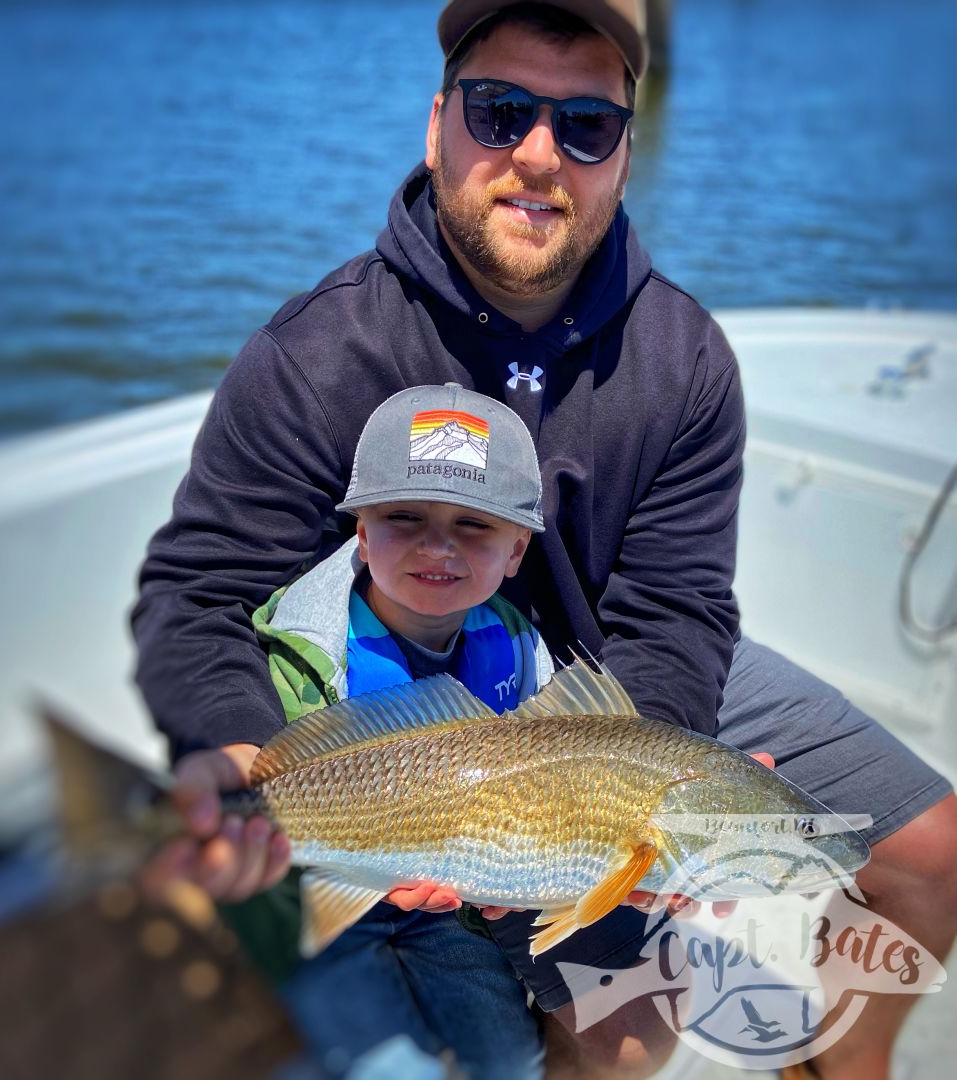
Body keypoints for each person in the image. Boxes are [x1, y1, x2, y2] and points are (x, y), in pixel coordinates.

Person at [132, 3, 957, 1078]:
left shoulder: (688, 357)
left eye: (585, 126)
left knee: (931, 854)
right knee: (629, 1032)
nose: (536, 154)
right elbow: (197, 595)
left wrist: (640, 780)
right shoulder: (317, 352)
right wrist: (247, 755)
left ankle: (844, 1064)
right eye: (501, 109)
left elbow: (677, 611)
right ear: (437, 125)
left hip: (619, 688)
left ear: (624, 149)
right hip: (404, 666)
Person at [250, 381, 551, 1077]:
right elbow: (269, 781)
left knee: (511, 1061)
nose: (438, 545)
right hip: (314, 887)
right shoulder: (307, 652)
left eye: (475, 524)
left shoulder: (517, 645)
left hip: (446, 904)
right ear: (360, 530)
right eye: (404, 516)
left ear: (517, 551)